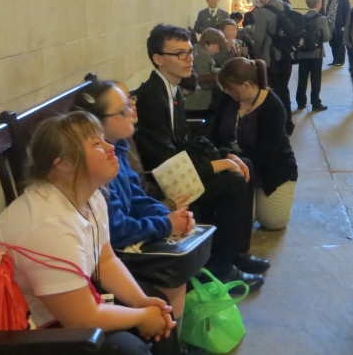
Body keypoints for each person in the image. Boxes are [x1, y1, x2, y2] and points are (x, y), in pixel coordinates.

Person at [0, 112, 178, 355]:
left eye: (103, 139)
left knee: (158, 304)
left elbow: (105, 260)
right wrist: (141, 316)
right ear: (63, 164)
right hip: (12, 335)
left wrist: (141, 304)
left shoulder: (92, 195)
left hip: (57, 310)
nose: (110, 148)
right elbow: (83, 319)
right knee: (127, 350)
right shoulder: (48, 225)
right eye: (97, 144)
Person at [134, 24, 268, 293]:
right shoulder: (151, 96)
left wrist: (224, 155)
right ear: (158, 59)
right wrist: (220, 164)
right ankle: (219, 270)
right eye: (180, 54)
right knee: (231, 183)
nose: (190, 59)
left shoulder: (171, 89)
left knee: (244, 163)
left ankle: (237, 252)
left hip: (175, 168)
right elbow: (165, 160)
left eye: (189, 52)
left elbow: (186, 142)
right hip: (160, 181)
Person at [73, 81, 194, 322]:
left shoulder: (116, 148)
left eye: (130, 103)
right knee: (170, 281)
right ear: (96, 123)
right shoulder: (97, 168)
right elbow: (116, 230)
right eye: (123, 110)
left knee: (180, 261)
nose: (132, 111)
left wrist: (167, 216)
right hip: (101, 260)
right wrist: (166, 225)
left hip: (113, 251)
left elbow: (136, 195)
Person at [213, 58, 299, 230]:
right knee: (241, 220)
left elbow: (266, 153)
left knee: (273, 222)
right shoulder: (228, 99)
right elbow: (214, 134)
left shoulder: (274, 107)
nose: (227, 92)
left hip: (271, 169)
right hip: (234, 166)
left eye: (230, 88)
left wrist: (237, 165)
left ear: (246, 85)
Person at [251, 0, 295, 135]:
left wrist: (257, 59)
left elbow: (258, 39)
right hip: (287, 55)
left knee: (273, 92)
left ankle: (277, 126)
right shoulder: (286, 6)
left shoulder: (263, 13)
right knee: (284, 89)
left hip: (271, 58)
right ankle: (288, 123)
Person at [296, 0, 331, 112]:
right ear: (318, 5)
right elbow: (326, 37)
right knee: (315, 79)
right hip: (316, 53)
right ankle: (315, 102)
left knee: (302, 78)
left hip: (303, 53)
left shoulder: (301, 18)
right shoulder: (321, 19)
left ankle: (301, 102)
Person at [184, 28, 225, 113]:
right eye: (218, 46)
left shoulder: (199, 49)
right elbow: (203, 83)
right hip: (198, 99)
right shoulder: (202, 55)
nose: (218, 50)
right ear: (211, 43)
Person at [325, 0, 351, 67]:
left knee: (340, 43)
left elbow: (347, 13)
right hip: (330, 25)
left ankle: (340, 61)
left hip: (340, 25)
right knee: (332, 43)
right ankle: (335, 60)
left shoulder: (344, 0)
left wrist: (345, 25)